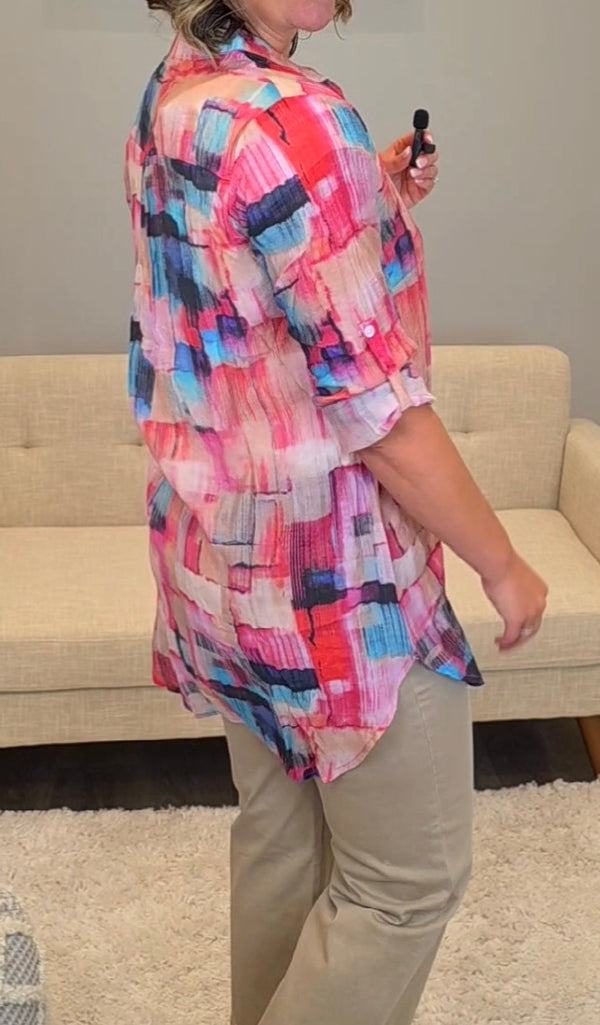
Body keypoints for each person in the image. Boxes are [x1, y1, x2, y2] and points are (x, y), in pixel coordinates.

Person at [125, 2, 549, 1023]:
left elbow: (245, 292)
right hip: (334, 589)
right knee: (404, 884)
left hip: (219, 560)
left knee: (286, 843)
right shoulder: (294, 120)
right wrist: (500, 560)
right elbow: (380, 413)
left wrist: (370, 200)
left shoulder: (179, 92)